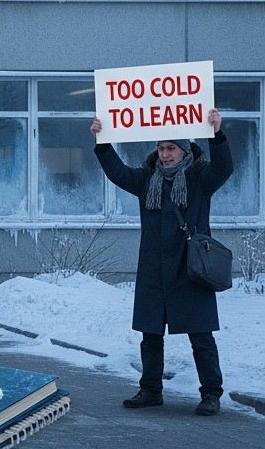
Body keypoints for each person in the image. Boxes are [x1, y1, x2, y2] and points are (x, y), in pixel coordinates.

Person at [91, 108, 231, 417]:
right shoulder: (146, 180)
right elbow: (118, 172)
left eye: (171, 148)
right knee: (150, 334)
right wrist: (102, 142)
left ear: (184, 151)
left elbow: (224, 168)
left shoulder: (200, 179)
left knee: (201, 334)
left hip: (190, 267)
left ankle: (211, 394)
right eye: (160, 148)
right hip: (154, 268)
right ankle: (151, 390)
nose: (164, 154)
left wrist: (217, 134)